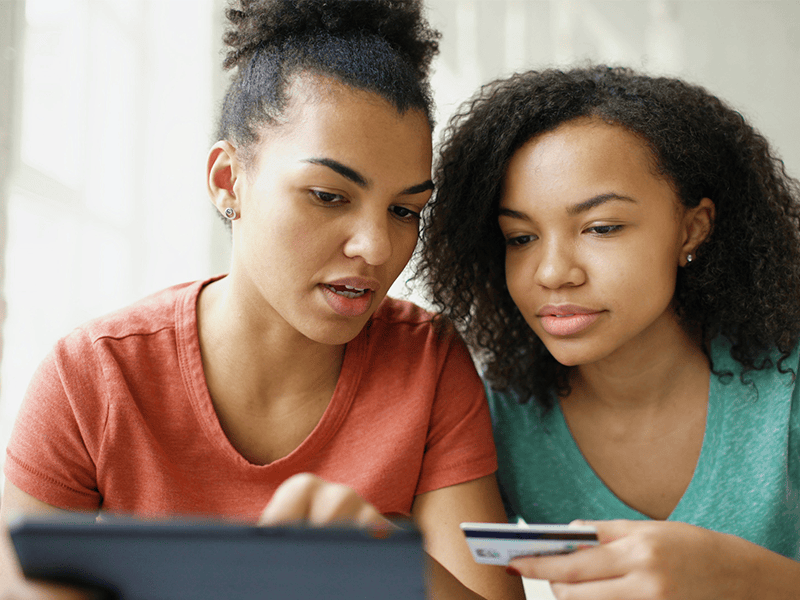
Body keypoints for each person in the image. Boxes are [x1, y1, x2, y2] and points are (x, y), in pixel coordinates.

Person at [0, 2, 524, 599]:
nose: (377, 247)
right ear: (228, 181)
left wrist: (378, 555)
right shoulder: (91, 376)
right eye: (328, 195)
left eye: (405, 211)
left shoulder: (429, 363)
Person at [418, 65, 800, 599]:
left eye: (601, 228)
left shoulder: (786, 392)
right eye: (520, 237)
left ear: (692, 228)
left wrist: (735, 577)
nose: (553, 272)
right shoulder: (501, 418)